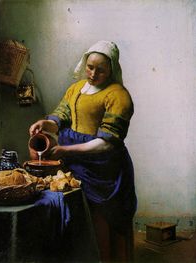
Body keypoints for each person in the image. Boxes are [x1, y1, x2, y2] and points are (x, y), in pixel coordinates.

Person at [29, 40, 137, 262]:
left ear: (111, 70)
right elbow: (59, 119)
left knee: (101, 220)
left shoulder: (118, 95)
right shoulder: (75, 89)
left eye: (100, 69)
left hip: (104, 169)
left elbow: (107, 143)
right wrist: (44, 124)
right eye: (90, 66)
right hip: (73, 164)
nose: (93, 73)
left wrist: (67, 150)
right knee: (76, 216)